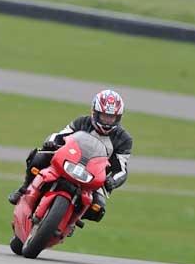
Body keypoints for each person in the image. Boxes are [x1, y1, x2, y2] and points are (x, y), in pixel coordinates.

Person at [7, 89, 133, 222]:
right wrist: (52, 142)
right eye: (104, 116)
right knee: (38, 157)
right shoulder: (82, 122)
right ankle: (23, 189)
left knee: (97, 209)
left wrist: (112, 180)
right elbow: (61, 134)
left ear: (118, 118)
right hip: (68, 161)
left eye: (111, 117)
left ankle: (72, 219)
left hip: (94, 178)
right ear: (95, 113)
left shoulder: (124, 139)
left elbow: (121, 169)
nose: (107, 121)